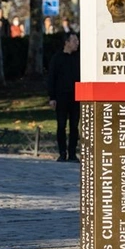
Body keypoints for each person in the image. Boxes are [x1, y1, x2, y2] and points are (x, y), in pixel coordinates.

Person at [47, 32, 81, 162]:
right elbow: (51, 78)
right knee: (61, 125)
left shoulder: (79, 58)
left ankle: (72, 153)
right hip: (61, 97)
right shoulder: (57, 58)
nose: (76, 43)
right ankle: (62, 152)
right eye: (74, 41)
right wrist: (52, 97)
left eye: (77, 41)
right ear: (66, 42)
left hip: (76, 96)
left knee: (74, 126)